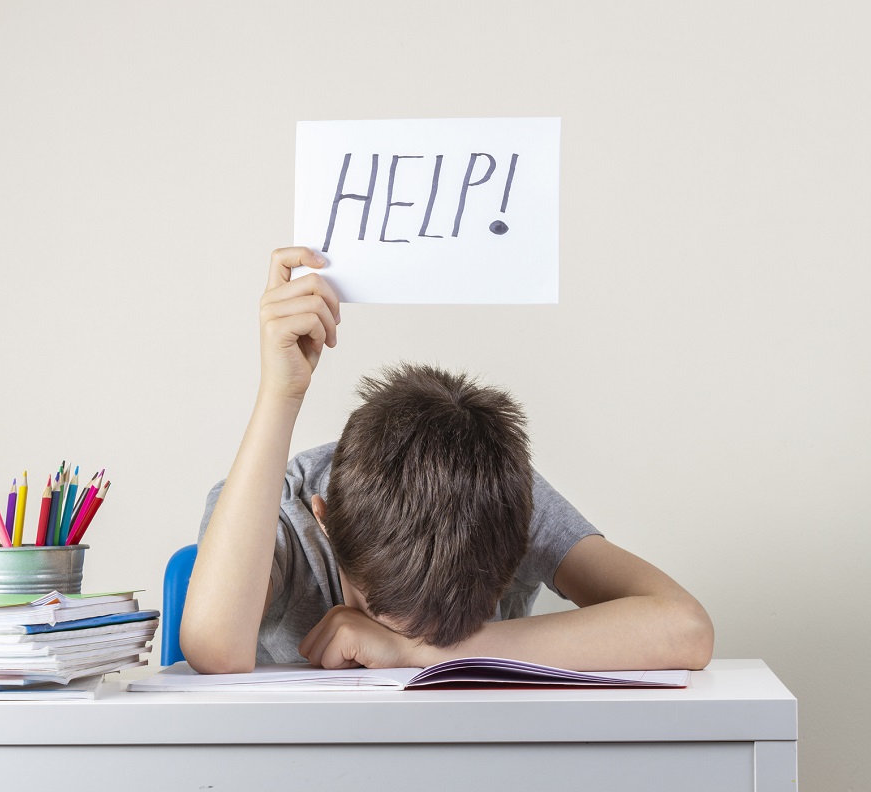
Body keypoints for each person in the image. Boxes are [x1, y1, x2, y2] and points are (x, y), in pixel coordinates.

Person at [179, 247, 714, 674]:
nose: (414, 640)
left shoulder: (499, 495)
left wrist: (419, 656)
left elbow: (684, 627)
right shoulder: (273, 509)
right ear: (325, 520)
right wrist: (281, 391)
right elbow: (214, 648)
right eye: (390, 620)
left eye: (451, 628)